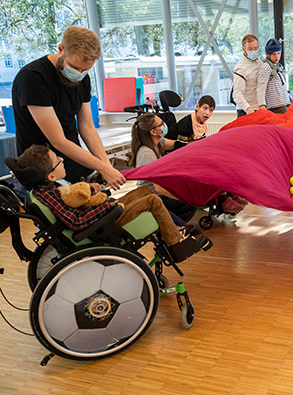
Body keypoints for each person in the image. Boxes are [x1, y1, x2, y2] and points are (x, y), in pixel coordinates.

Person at [16, 144, 210, 258]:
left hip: (102, 216)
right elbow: (77, 221)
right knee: (152, 200)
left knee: (142, 190)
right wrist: (107, 207)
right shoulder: (51, 194)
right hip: (103, 224)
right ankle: (175, 243)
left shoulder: (45, 191)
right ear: (50, 176)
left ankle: (175, 229)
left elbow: (76, 202)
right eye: (58, 160)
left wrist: (92, 193)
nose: (62, 159)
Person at [12, 26, 125, 189]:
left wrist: (106, 165)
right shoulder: (33, 78)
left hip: (73, 163)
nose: (78, 73)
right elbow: (57, 140)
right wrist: (102, 167)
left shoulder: (82, 78)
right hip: (45, 170)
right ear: (60, 49)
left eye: (85, 70)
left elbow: (87, 127)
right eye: (74, 67)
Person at [130, 112, 196, 220]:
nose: (164, 125)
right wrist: (180, 195)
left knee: (191, 193)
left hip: (159, 193)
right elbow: (158, 188)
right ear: (153, 132)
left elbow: (177, 145)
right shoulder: (147, 153)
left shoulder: (157, 142)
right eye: (161, 124)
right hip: (154, 198)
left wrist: (199, 144)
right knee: (192, 198)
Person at [257, 38, 290, 114]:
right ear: (267, 54)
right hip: (275, 107)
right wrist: (262, 105)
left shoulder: (277, 67)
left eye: (278, 53)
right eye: (274, 54)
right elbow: (261, 87)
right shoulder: (266, 67)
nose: (277, 57)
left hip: (283, 104)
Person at [233, 34, 262, 117]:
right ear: (244, 49)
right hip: (246, 111)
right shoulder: (240, 68)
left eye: (256, 48)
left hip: (259, 108)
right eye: (250, 49)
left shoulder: (259, 62)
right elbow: (237, 94)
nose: (253, 51)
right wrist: (249, 109)